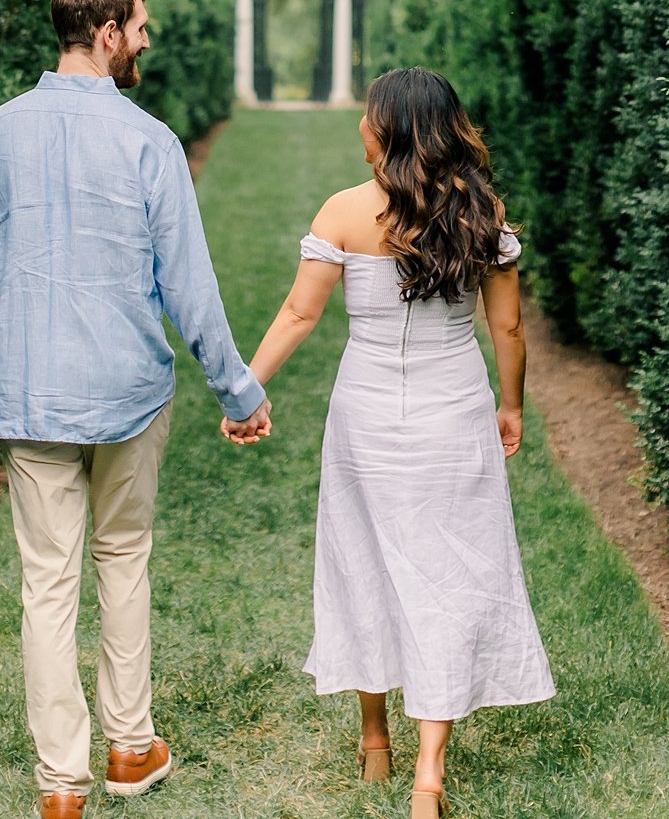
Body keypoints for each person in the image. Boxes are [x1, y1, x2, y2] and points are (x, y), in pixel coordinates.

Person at [0, 0, 271, 819]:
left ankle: (62, 786)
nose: (144, 42)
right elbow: (188, 286)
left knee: (45, 583)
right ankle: (131, 747)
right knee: (121, 559)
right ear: (104, 33)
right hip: (128, 387)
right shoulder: (148, 142)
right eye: (139, 28)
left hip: (30, 391)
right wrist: (237, 392)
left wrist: (1, 366)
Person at [231, 65, 554, 818]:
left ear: (392, 128)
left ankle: (375, 742)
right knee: (446, 575)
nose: (358, 126)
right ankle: (428, 775)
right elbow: (506, 327)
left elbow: (298, 315)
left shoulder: (345, 212)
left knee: (365, 563)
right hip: (454, 415)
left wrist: (245, 387)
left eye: (368, 115)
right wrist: (511, 407)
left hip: (367, 417)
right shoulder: (482, 211)